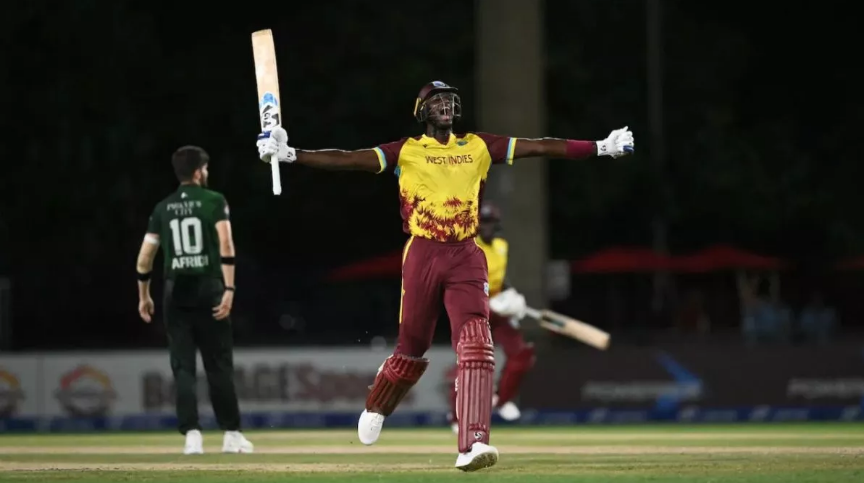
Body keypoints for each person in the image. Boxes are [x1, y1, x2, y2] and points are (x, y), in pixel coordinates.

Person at [257, 81, 634, 471]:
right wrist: (291, 154)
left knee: (476, 344)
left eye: (450, 100)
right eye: (436, 101)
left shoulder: (479, 146)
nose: (446, 105)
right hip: (423, 253)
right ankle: (379, 403)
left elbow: (540, 146)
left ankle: (473, 443)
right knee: (411, 351)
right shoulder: (407, 150)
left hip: (466, 255)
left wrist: (600, 147)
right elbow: (349, 159)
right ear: (421, 111)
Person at [135, 146, 253, 455]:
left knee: (183, 366)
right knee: (218, 365)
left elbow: (145, 258)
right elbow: (226, 243)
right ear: (199, 171)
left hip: (175, 291)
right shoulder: (214, 200)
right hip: (209, 286)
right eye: (206, 168)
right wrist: (230, 289)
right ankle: (231, 435)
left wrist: (143, 295)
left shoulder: (163, 208)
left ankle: (192, 436)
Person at [445, 202, 533, 433]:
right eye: (481, 222)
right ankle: (456, 416)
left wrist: (511, 296)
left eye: (489, 222)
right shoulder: (468, 245)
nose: (485, 227)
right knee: (470, 361)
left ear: (496, 224)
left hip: (498, 308)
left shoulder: (502, 246)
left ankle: (503, 400)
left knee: (522, 354)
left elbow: (499, 278)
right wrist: (485, 300)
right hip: (473, 307)